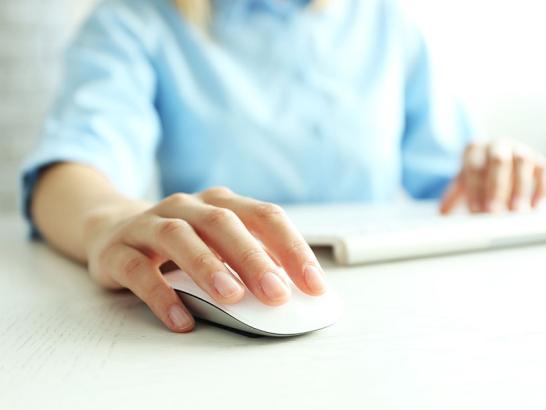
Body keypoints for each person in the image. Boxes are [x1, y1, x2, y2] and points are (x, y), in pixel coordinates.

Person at [21, 0, 545, 333]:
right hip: (228, 281)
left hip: (397, 305)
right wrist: (107, 223)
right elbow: (73, 167)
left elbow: (446, 179)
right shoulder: (134, 20)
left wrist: (493, 168)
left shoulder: (385, 18)